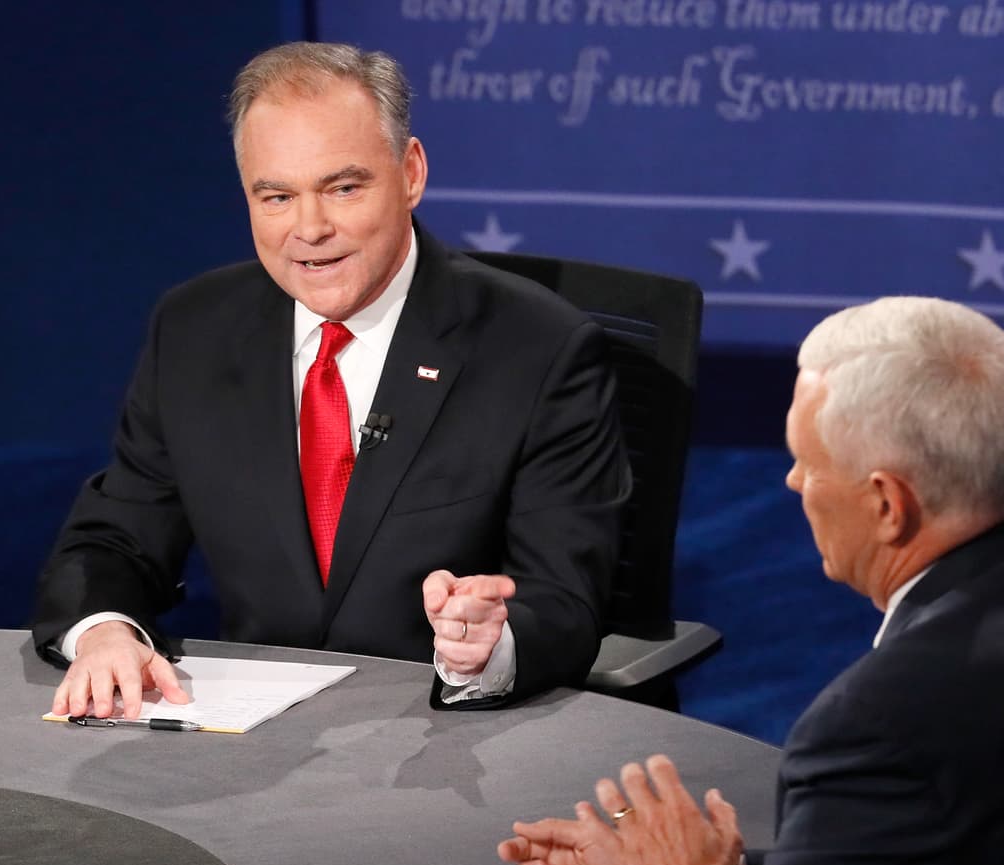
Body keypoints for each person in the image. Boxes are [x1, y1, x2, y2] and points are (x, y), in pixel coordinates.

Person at [498, 296, 1004, 865]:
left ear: (885, 504)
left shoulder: (884, 718)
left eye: (808, 464)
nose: (793, 483)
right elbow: (957, 845)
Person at [31, 41, 629, 718]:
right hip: (245, 745)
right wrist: (107, 629)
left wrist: (487, 646)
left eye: (343, 187)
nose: (309, 229)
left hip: (448, 743)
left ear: (410, 172)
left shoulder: (539, 349)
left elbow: (565, 596)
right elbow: (115, 539)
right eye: (277, 196)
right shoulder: (193, 330)